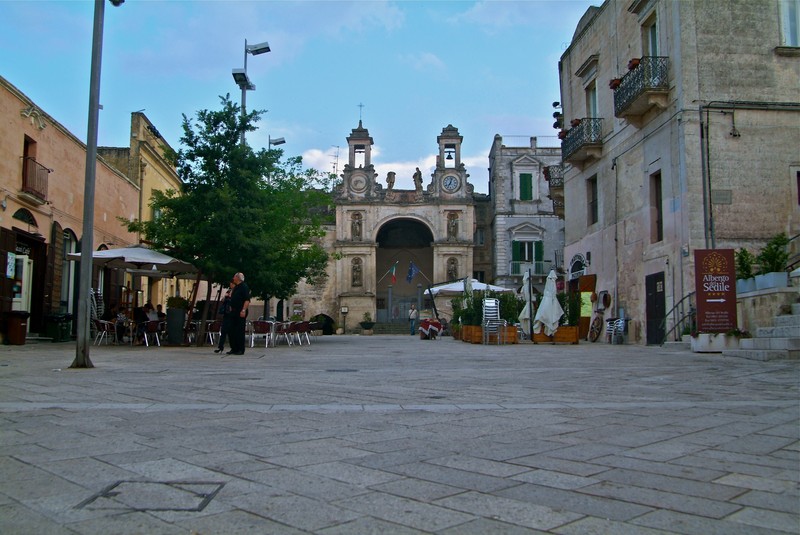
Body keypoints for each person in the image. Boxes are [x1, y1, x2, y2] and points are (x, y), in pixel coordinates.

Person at [228, 272, 251, 355]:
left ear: (238, 278)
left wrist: (243, 310)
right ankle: (234, 348)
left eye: (234, 277)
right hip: (233, 311)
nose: (233, 278)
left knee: (239, 330)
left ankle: (240, 349)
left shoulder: (244, 287)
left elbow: (247, 300)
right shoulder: (236, 287)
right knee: (231, 330)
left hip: (240, 311)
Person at [214, 282, 234, 354]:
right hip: (226, 313)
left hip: (231, 314)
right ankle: (220, 346)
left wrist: (228, 297)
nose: (230, 285)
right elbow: (223, 300)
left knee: (230, 332)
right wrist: (226, 297)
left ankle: (233, 347)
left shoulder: (236, 292)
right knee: (223, 331)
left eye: (231, 284)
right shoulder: (229, 291)